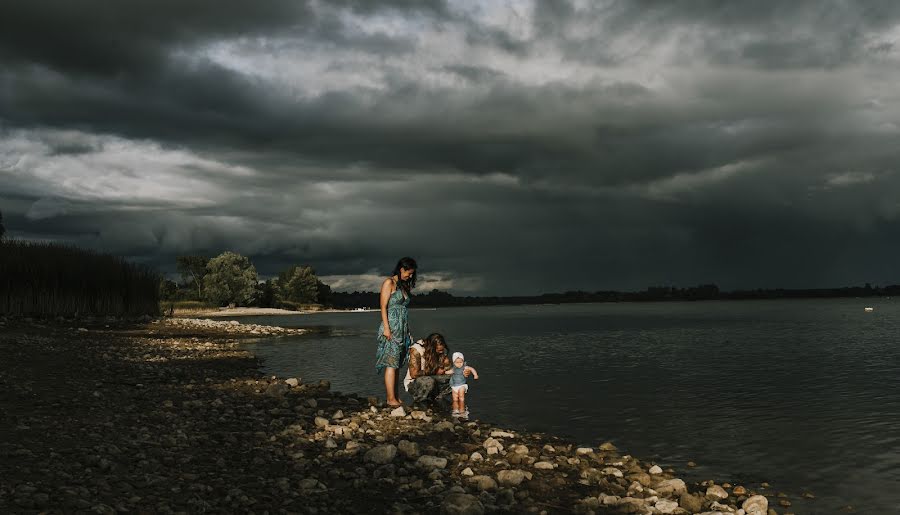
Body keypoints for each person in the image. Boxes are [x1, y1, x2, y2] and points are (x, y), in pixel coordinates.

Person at [374, 257, 417, 407]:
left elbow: (403, 311)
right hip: (391, 327)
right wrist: (386, 328)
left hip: (402, 328)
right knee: (391, 363)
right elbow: (383, 306)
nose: (410, 276)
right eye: (408, 273)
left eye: (412, 274)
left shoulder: (402, 286)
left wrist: (407, 332)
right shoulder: (389, 283)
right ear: (401, 269)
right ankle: (390, 398)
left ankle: (396, 397)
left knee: (397, 363)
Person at [405, 333, 452, 404]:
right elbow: (414, 374)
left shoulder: (440, 350)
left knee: (457, 378)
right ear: (431, 348)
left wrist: (461, 371)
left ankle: (436, 399)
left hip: (433, 377)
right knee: (429, 381)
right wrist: (435, 371)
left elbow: (449, 371)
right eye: (439, 351)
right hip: (414, 383)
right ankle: (419, 403)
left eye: (442, 350)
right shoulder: (416, 350)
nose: (442, 352)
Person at [446, 352, 479, 417]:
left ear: (463, 361)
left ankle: (462, 410)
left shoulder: (465, 367)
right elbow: (448, 372)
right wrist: (444, 372)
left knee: (461, 397)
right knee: (455, 399)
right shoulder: (454, 368)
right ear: (454, 362)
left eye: (460, 362)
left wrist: (475, 375)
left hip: (462, 385)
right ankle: (455, 410)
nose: (459, 364)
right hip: (454, 386)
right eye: (457, 362)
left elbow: (472, 369)